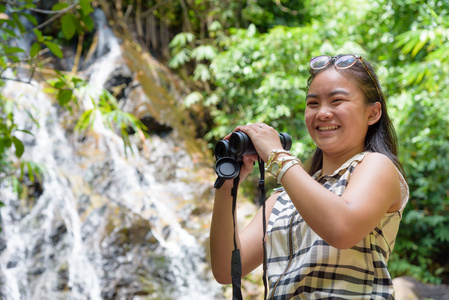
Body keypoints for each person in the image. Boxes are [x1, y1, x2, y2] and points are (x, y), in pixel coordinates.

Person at [209, 54, 409, 299]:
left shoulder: (376, 165)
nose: (323, 113)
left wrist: (276, 156)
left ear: (373, 113)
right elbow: (227, 270)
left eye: (337, 101)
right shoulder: (283, 199)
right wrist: (227, 184)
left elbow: (342, 229)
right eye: (313, 104)